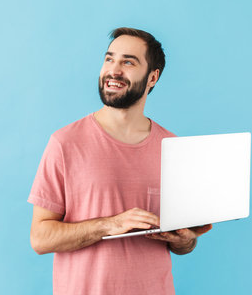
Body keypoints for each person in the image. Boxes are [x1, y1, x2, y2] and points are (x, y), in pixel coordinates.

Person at [28, 27, 212, 294]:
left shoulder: (174, 148)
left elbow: (184, 246)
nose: (114, 70)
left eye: (128, 62)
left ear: (152, 77)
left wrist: (184, 239)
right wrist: (110, 224)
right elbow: (39, 239)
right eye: (109, 59)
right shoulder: (65, 142)